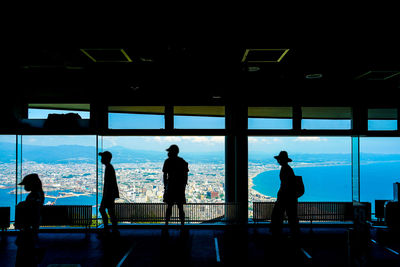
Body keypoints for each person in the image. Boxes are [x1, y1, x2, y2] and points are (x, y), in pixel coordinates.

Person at [15, 173, 45, 267]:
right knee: (29, 248)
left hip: (29, 226)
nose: (24, 187)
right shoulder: (38, 194)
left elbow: (31, 210)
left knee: (25, 251)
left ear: (32, 184)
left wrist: (22, 205)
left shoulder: (34, 195)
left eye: (26, 184)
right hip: (33, 225)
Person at [270, 151, 300, 238]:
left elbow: (286, 184)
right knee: (291, 216)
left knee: (278, 215)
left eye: (279, 159)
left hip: (285, 197)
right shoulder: (287, 168)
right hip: (289, 197)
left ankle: (277, 233)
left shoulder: (285, 169)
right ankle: (293, 234)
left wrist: (281, 195)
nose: (278, 161)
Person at [162, 144, 189, 226]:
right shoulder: (182, 162)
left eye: (169, 151)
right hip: (179, 188)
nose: (168, 153)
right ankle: (182, 225)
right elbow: (185, 176)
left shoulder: (167, 161)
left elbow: (164, 175)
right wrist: (183, 186)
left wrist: (166, 185)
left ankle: (166, 224)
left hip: (170, 187)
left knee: (169, 207)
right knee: (180, 207)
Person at [99, 151, 120, 235]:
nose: (101, 159)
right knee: (110, 212)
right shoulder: (109, 167)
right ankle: (112, 229)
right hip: (110, 194)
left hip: (108, 194)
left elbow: (109, 183)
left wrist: (106, 195)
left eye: (102, 157)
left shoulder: (109, 168)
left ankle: (107, 228)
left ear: (106, 158)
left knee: (103, 210)